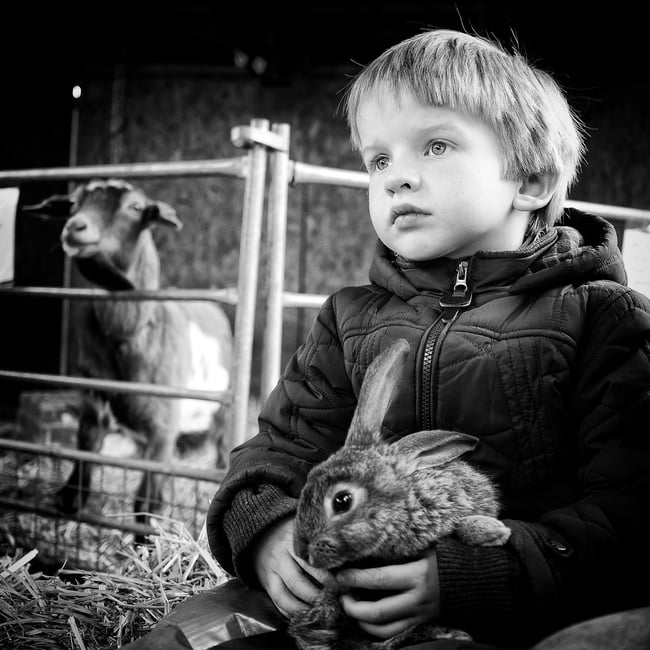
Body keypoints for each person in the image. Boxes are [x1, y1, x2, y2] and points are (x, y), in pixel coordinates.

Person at [122, 27, 650, 650]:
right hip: (338, 587)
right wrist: (266, 531)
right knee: (175, 639)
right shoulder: (349, 320)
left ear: (530, 179)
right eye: (379, 160)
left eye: (435, 146)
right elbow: (276, 451)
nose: (397, 177)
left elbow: (629, 510)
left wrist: (475, 576)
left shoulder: (602, 320)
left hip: (507, 609)